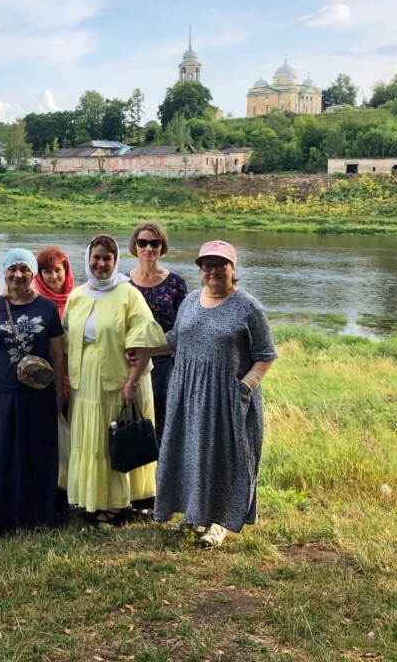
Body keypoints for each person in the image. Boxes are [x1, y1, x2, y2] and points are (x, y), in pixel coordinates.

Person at [152, 240, 277, 548]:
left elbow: (266, 354)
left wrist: (244, 387)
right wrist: (139, 349)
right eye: (207, 266)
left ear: (233, 268)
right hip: (188, 394)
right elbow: (176, 339)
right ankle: (195, 514)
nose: (213, 271)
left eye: (221, 265)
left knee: (225, 458)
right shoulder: (192, 300)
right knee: (191, 453)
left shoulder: (248, 306)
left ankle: (220, 522)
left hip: (227, 397)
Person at [63, 234, 165, 526]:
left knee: (113, 440)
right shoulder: (78, 295)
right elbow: (67, 338)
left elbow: (144, 338)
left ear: (116, 261)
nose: (101, 264)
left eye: (107, 258)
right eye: (96, 257)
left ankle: (116, 505)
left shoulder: (128, 294)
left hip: (120, 380)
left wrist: (132, 381)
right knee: (90, 440)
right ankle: (92, 499)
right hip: (86, 382)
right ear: (87, 259)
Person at [0, 249, 66, 534]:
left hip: (36, 396)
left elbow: (58, 354)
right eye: (13, 269)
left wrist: (58, 394)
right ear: (5, 272)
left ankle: (32, 515)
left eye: (24, 269)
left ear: (33, 274)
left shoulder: (46, 308)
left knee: (31, 454)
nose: (18, 275)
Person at [127, 222, 187, 442]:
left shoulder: (176, 284)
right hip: (130, 365)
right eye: (143, 243)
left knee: (163, 428)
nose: (148, 248)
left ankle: (161, 475)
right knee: (134, 424)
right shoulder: (124, 283)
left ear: (162, 246)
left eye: (155, 243)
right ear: (135, 246)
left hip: (164, 367)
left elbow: (183, 330)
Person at [34, 246, 74, 318]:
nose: (54, 276)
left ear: (66, 270)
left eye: (57, 270)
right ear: (40, 275)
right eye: (48, 272)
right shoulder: (33, 301)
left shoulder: (77, 298)